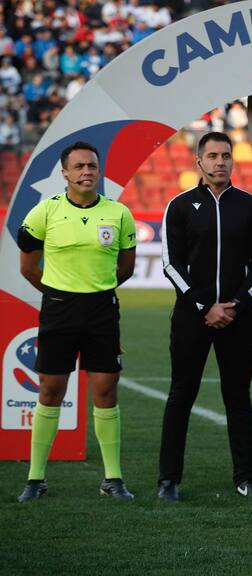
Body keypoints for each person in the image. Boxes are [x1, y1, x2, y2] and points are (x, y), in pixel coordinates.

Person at [16, 141, 136, 502]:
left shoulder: (118, 214)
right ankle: (36, 479)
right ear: (65, 172)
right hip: (58, 311)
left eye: (92, 166)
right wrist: (58, 292)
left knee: (105, 393)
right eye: (80, 166)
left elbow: (125, 268)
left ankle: (112, 478)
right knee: (50, 392)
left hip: (102, 312)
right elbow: (27, 266)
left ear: (99, 172)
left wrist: (94, 290)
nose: (87, 172)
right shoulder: (44, 213)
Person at [158, 131, 252, 501]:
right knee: (181, 395)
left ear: (232, 160)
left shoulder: (250, 206)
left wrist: (234, 304)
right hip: (193, 317)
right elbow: (171, 265)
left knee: (238, 396)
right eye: (212, 156)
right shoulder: (179, 205)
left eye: (225, 155)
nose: (219, 162)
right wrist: (204, 306)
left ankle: (247, 478)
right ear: (199, 161)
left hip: (239, 317)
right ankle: (169, 479)